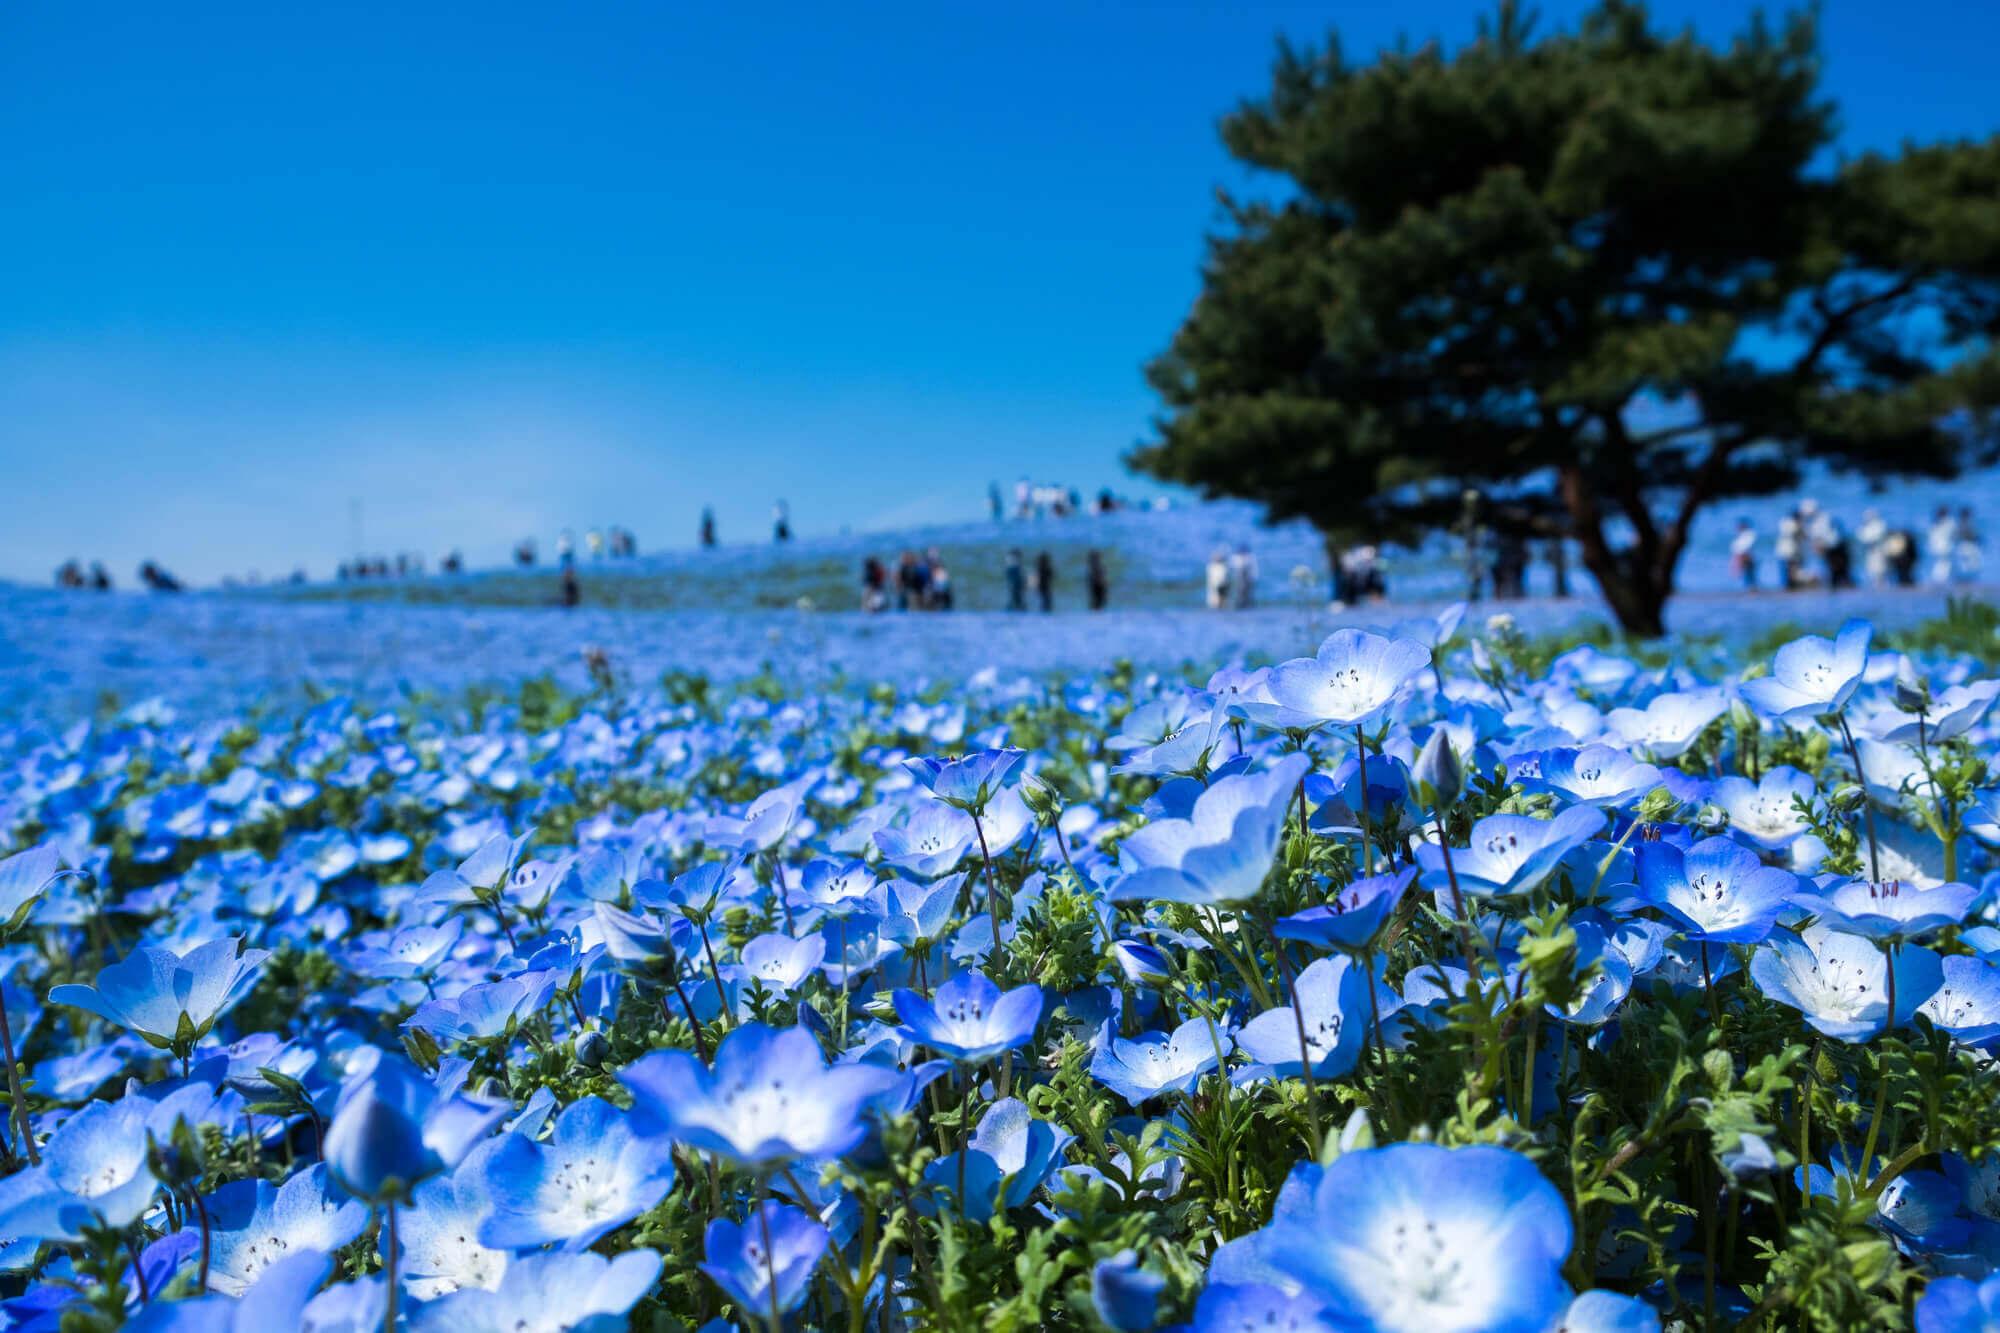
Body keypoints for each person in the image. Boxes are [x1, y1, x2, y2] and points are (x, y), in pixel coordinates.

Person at [1857, 508, 1889, 586]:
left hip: (1879, 551)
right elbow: (1861, 537)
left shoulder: (1880, 525)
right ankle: (1876, 584)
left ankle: (1882, 584)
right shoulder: (1866, 527)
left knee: (1881, 569)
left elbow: (1881, 536)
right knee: (1873, 569)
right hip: (1870, 551)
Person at [1928, 506, 1959, 585]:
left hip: (1937, 547)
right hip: (1946, 547)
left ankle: (1939, 580)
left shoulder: (1935, 523)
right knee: (1945, 564)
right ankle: (1941, 581)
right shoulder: (1949, 522)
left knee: (1941, 563)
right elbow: (1954, 534)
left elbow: (1931, 537)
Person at [1775, 512, 1803, 589]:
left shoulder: (1784, 523)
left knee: (1786, 571)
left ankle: (1788, 586)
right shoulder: (1795, 525)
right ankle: (1791, 586)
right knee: (1792, 570)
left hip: (1782, 551)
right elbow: (1800, 535)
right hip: (1790, 551)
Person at [1956, 505, 1983, 583]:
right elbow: (1971, 535)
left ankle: (1964, 581)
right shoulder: (1966, 523)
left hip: (1962, 546)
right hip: (1968, 545)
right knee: (1971, 565)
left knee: (1964, 566)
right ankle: (1967, 582)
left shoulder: (1960, 523)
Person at [1729, 519, 1758, 589]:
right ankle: (1750, 586)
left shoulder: (1749, 534)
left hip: (1746, 556)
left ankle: (1752, 586)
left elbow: (1746, 546)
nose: (1738, 528)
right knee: (1748, 572)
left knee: (1749, 572)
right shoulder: (1743, 534)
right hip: (1743, 555)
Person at [1229, 543, 1258, 609]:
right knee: (1241, 593)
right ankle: (1242, 604)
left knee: (1246, 594)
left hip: (1247, 579)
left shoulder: (1249, 558)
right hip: (1241, 579)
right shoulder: (1237, 558)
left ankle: (1246, 604)